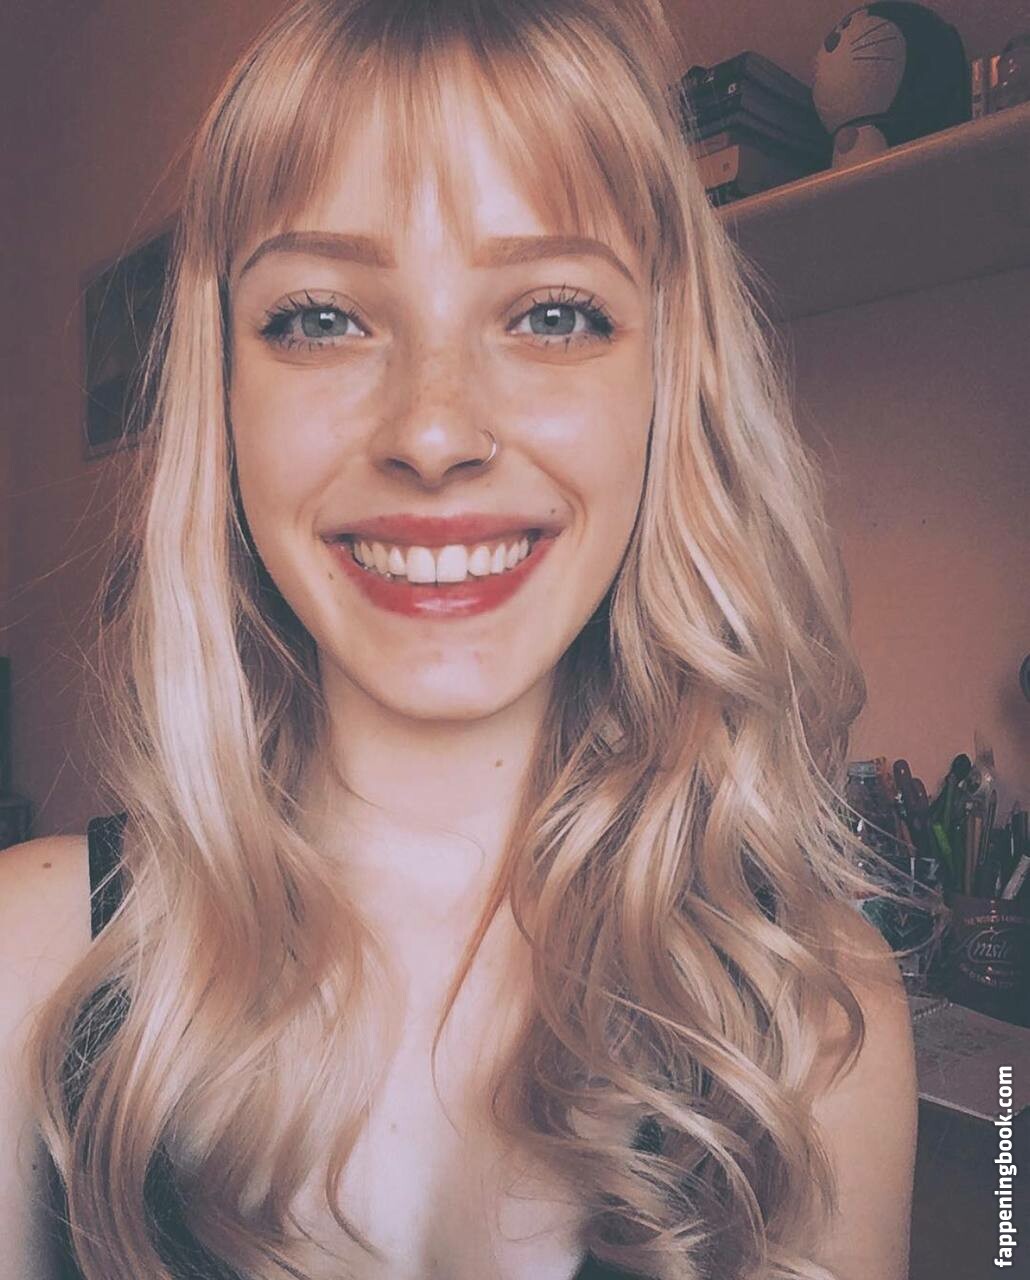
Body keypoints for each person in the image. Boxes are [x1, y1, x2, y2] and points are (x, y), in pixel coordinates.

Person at [1, 2, 926, 1278]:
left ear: (668, 382)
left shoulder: (819, 1014)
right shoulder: (26, 962)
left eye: (551, 313)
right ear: (224, 391)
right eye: (321, 316)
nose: (432, 433)